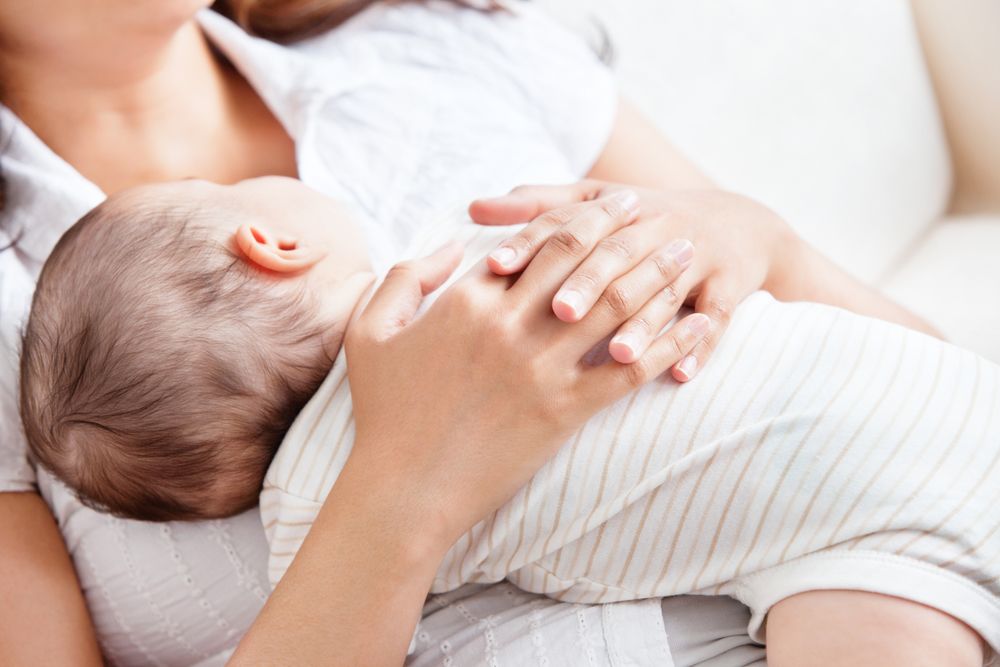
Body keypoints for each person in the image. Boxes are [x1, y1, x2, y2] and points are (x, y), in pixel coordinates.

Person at [0, 0, 956, 664]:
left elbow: (924, 388)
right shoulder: (36, 334)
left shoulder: (448, 43)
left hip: (877, 538)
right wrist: (407, 477)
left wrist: (762, 242)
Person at [19, 175, 998, 666]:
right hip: (912, 405)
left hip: (861, 536)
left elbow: (731, 252)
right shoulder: (474, 258)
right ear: (268, 240)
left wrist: (749, 232)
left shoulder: (300, 537)